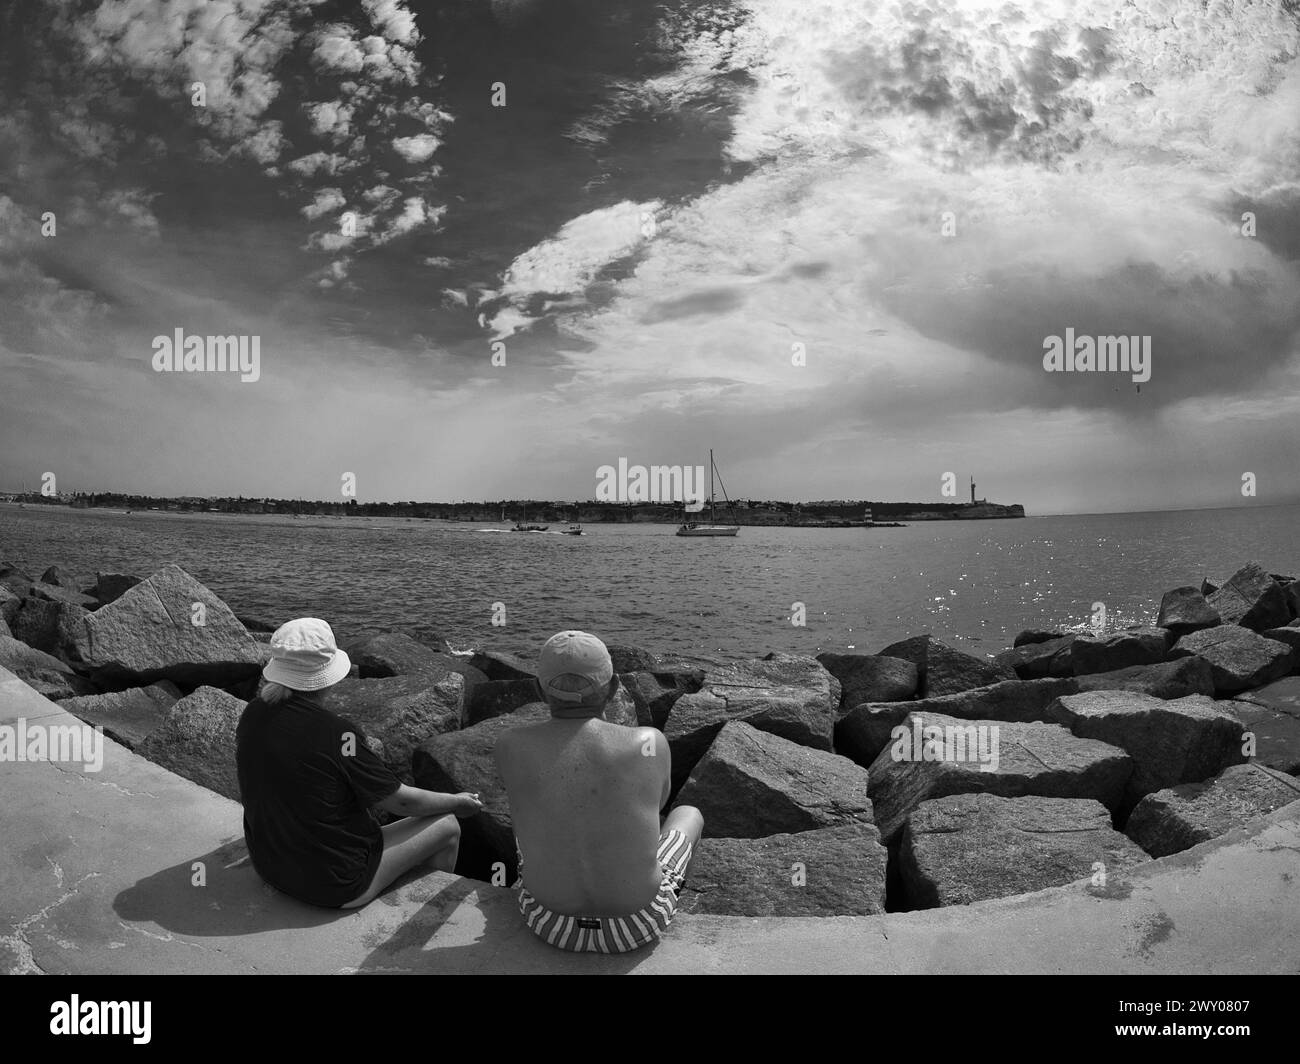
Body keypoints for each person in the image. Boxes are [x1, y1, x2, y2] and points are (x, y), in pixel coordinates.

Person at [235, 617, 482, 909]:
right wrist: (456, 801)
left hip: (268, 866)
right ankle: (423, 911)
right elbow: (402, 804)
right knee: (447, 825)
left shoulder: (253, 712)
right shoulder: (337, 734)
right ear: (328, 676)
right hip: (335, 884)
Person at [494, 630, 704, 953]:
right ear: (615, 687)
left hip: (548, 922)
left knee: (531, 833)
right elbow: (658, 802)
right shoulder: (649, 742)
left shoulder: (510, 744)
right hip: (638, 923)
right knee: (687, 814)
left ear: (538, 690)